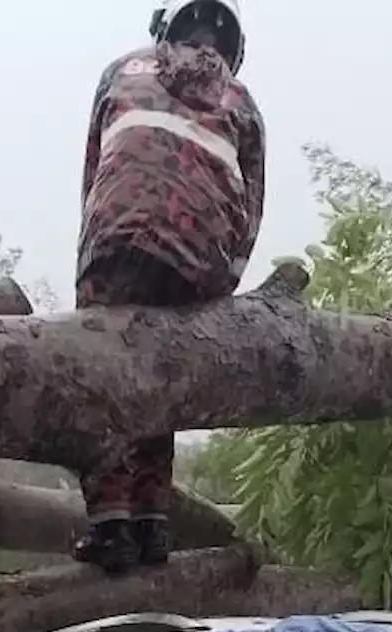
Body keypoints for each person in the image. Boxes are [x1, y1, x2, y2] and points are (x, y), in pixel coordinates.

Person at [74, 0, 265, 573]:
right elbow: (250, 212)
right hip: (200, 259)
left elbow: (94, 172)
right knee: (163, 373)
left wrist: (96, 252)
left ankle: (111, 524)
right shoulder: (245, 105)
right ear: (231, 53)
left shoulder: (121, 70)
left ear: (167, 29)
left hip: (119, 235)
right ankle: (153, 522)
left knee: (103, 369)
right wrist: (219, 288)